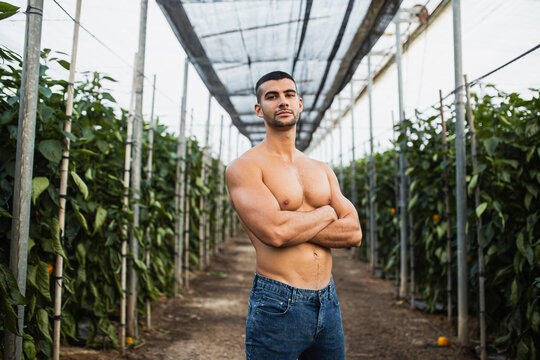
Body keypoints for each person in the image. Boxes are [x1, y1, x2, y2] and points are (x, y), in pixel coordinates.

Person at [225, 70, 362, 360]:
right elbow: (276, 233)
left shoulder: (322, 169)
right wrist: (327, 212)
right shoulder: (245, 167)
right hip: (277, 301)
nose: (282, 101)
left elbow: (353, 233)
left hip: (328, 300)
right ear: (260, 109)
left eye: (289, 94)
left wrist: (291, 223)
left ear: (299, 103)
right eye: (272, 96)